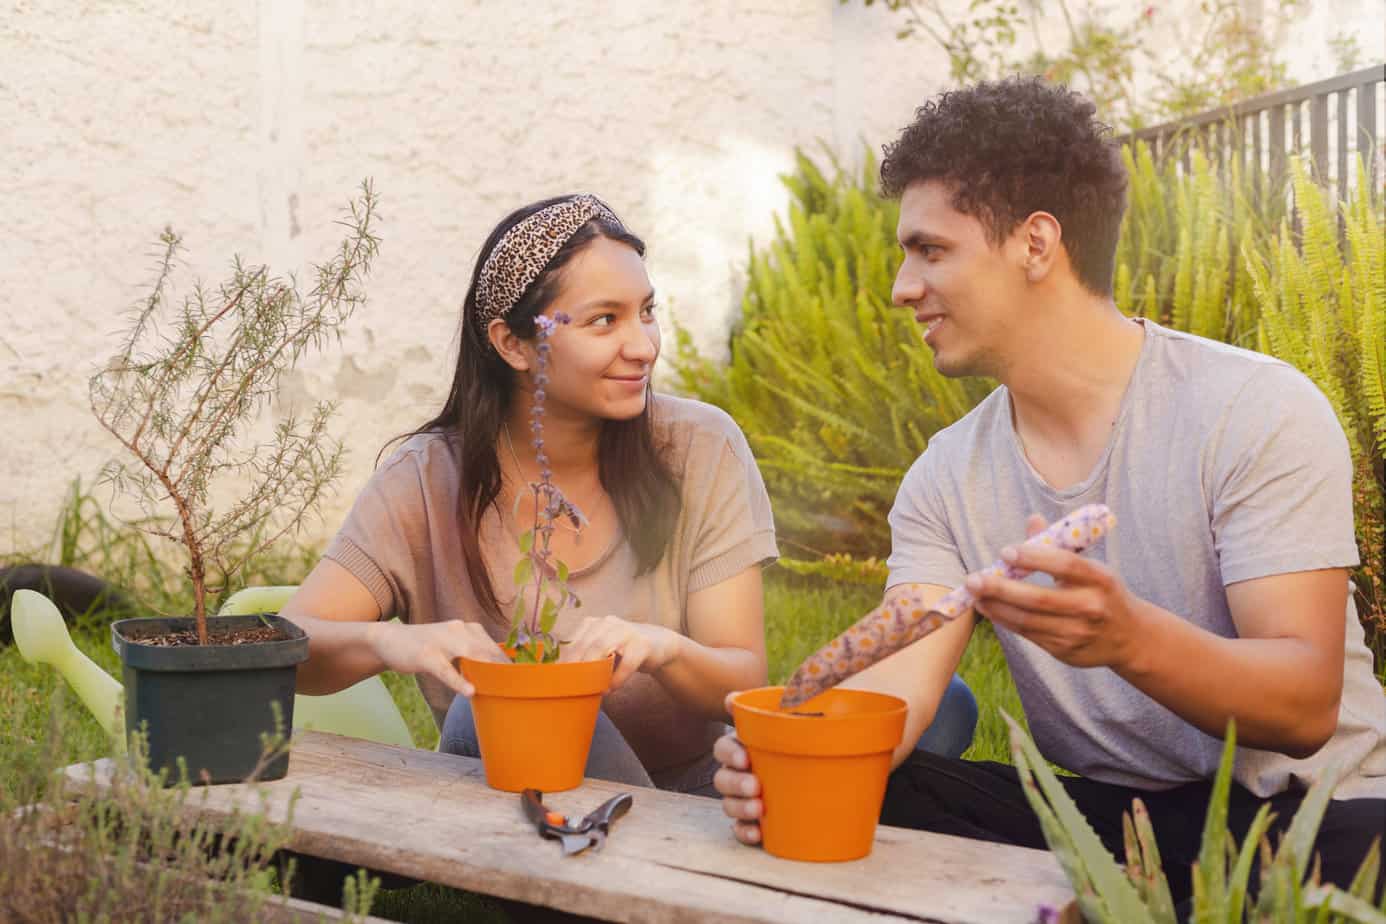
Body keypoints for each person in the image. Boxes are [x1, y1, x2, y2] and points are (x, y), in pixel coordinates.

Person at [712, 78, 1386, 907]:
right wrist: (796, 756)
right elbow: (900, 688)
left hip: (1313, 817)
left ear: (1036, 245)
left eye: (930, 250)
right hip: (1118, 822)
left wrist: (1129, 639)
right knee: (881, 795)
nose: (900, 287)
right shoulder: (946, 475)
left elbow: (1305, 704)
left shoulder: (1253, 409)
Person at [282, 194, 979, 798]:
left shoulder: (700, 446)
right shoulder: (425, 480)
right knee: (485, 715)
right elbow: (287, 646)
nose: (643, 345)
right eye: (604, 321)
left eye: (647, 312)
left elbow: (741, 676)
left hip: (708, 795)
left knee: (930, 701)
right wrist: (392, 641)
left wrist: (663, 650)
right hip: (542, 792)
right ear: (514, 345)